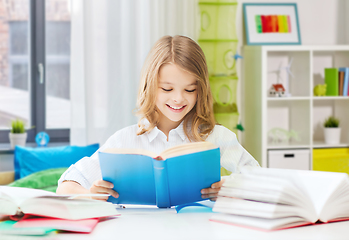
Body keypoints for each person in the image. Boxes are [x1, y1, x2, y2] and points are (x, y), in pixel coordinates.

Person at [56, 35, 259, 201]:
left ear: (201, 91)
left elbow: (261, 179)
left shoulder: (215, 137)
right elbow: (66, 186)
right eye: (167, 88)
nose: (178, 98)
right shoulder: (125, 140)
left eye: (190, 89)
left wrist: (232, 188)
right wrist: (90, 196)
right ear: (150, 86)